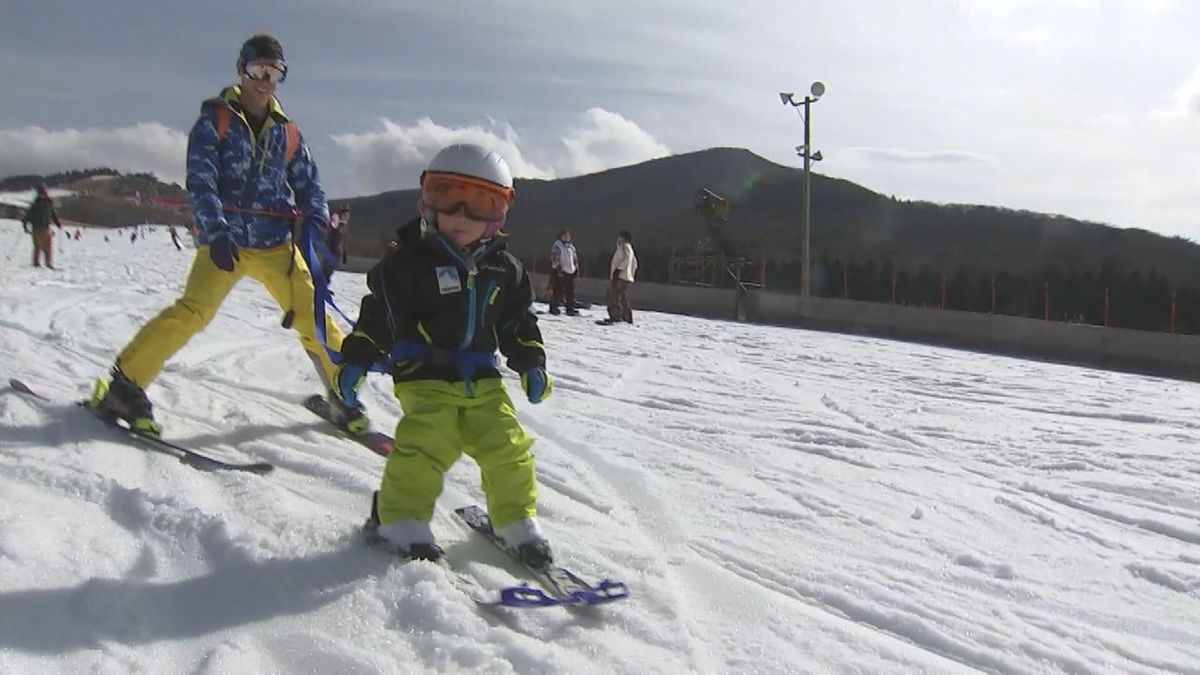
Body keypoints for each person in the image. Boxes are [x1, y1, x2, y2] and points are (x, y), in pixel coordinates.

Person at [90, 34, 368, 438]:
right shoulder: (215, 122)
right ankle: (124, 387)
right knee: (192, 313)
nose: (265, 80)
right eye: (258, 70)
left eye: (275, 73)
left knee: (314, 315)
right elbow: (201, 182)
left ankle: (342, 394)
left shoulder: (287, 132)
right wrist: (216, 230)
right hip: (227, 244)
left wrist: (318, 222)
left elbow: (310, 184)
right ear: (242, 70)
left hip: (275, 246)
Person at [335, 143, 555, 568]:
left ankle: (515, 520)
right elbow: (380, 314)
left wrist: (531, 362)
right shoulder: (408, 263)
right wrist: (357, 358)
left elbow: (518, 323)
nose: (460, 215)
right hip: (423, 372)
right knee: (430, 440)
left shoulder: (505, 270)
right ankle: (399, 519)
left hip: (482, 378)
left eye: (478, 205)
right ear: (426, 201)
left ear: (498, 215)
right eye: (446, 198)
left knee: (507, 445)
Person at [598, 230, 637, 325]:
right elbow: (634, 264)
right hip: (625, 276)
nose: (618, 238)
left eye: (620, 237)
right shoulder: (629, 248)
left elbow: (626, 260)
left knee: (614, 296)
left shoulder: (624, 247)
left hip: (620, 276)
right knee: (622, 297)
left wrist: (618, 270)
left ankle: (615, 316)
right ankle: (626, 317)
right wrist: (630, 274)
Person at [20, 184, 63, 269]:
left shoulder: (49, 204)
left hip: (46, 228)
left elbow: (53, 214)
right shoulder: (35, 205)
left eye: (44, 193)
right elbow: (28, 216)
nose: (44, 195)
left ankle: (48, 263)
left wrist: (58, 224)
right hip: (37, 228)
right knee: (38, 246)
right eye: (42, 193)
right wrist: (25, 224)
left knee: (48, 246)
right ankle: (36, 263)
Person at [548, 228, 579, 316]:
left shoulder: (571, 247)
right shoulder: (557, 245)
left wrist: (576, 268)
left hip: (570, 271)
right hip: (561, 271)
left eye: (568, 235)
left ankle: (570, 308)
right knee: (558, 290)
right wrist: (557, 268)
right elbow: (554, 257)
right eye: (565, 235)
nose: (567, 237)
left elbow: (575, 258)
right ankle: (554, 307)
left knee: (570, 291)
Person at [316, 205, 350, 279]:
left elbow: (344, 242)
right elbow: (329, 235)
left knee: (330, 270)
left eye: (347, 215)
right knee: (326, 270)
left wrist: (345, 255)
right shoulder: (336, 224)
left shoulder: (345, 227)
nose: (347, 217)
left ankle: (323, 283)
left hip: (338, 253)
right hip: (331, 250)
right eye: (345, 215)